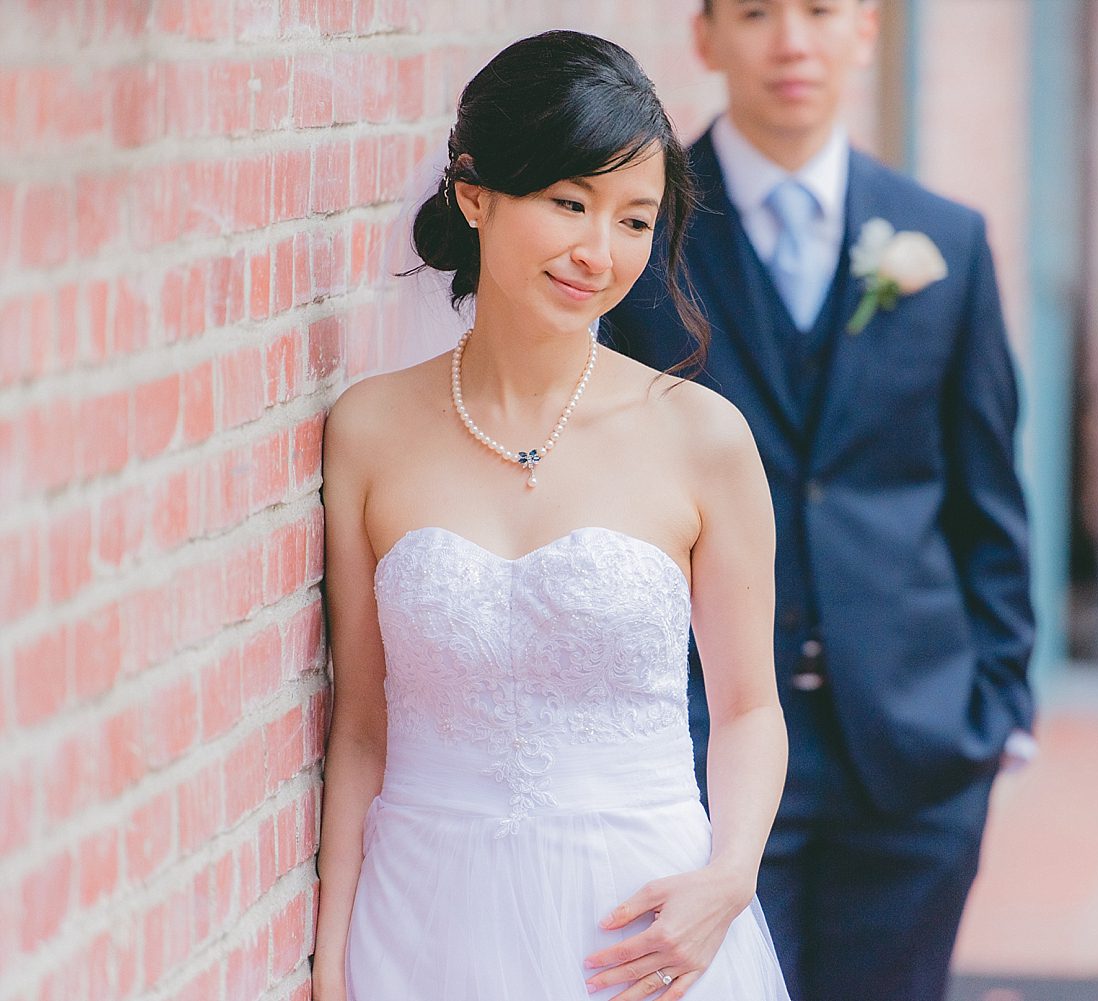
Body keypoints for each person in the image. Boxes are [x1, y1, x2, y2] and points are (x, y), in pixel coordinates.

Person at [311, 30, 793, 1001]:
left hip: (643, 932)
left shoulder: (702, 437)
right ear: (475, 193)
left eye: (632, 219)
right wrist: (329, 954)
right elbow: (360, 724)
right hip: (421, 923)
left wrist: (729, 876)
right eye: (570, 203)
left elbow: (747, 706)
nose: (597, 250)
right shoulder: (367, 429)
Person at [603, 3, 1037, 999]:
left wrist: (998, 709)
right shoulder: (638, 232)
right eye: (756, 12)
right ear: (706, 39)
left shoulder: (946, 240)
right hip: (706, 745)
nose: (790, 41)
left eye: (820, 11)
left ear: (867, 32)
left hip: (916, 750)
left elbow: (989, 499)